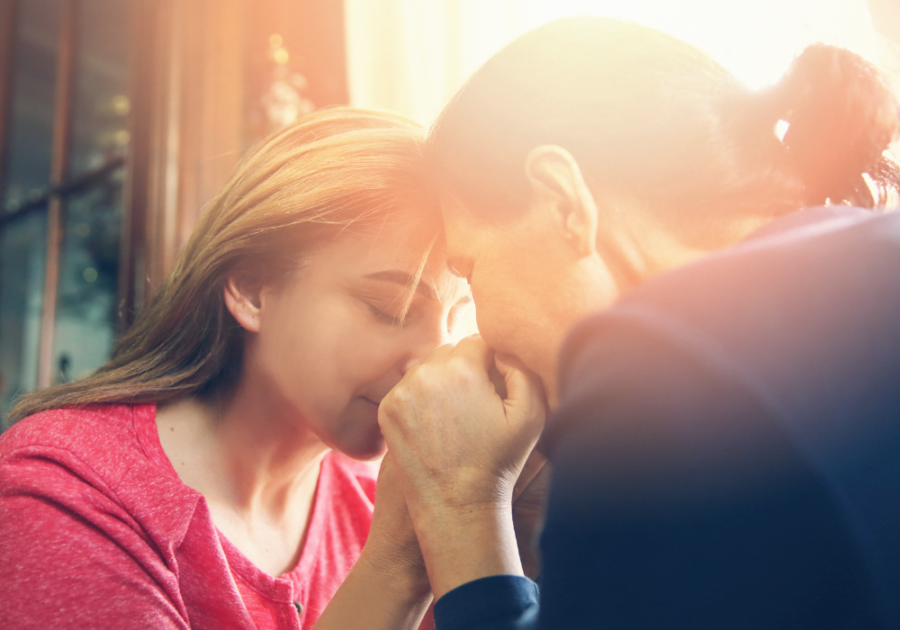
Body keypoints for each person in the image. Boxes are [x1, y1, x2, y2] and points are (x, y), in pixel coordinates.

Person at [376, 17, 900, 629]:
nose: (482, 329)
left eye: (471, 270)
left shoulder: (661, 370)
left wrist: (459, 507)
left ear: (564, 201)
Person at [0, 108, 474, 630]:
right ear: (252, 290)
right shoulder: (73, 491)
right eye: (392, 308)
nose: (433, 360)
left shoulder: (376, 498)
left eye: (455, 319)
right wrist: (396, 570)